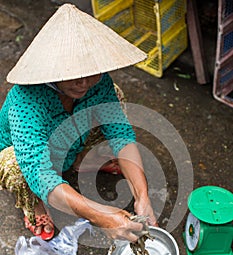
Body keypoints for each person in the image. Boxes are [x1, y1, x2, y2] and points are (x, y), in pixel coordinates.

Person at [0, 4, 158, 241]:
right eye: (72, 75)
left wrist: (142, 195)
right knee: (15, 166)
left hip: (69, 141)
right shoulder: (26, 99)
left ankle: (78, 160)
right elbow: (39, 172)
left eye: (90, 72)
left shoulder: (99, 82)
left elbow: (120, 134)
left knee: (116, 96)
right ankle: (35, 205)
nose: (83, 83)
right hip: (35, 158)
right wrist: (101, 216)